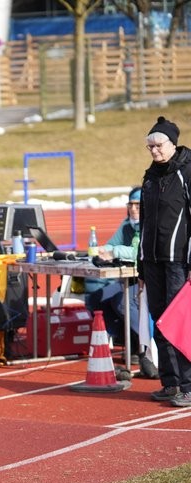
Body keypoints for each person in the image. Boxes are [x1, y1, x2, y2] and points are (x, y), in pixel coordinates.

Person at [138, 116, 191, 406]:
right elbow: (143, 223)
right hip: (153, 261)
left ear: (172, 143)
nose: (154, 151)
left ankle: (189, 385)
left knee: (180, 323)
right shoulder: (149, 177)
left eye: (158, 145)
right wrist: (140, 266)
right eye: (149, 147)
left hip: (179, 261)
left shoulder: (187, 172)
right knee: (159, 322)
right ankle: (171, 383)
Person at [84, 186, 157, 376]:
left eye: (138, 205)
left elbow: (139, 252)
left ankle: (148, 349)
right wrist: (101, 249)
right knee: (96, 296)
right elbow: (112, 244)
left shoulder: (152, 224)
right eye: (131, 204)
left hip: (149, 279)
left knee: (122, 301)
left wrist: (114, 252)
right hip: (128, 278)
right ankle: (118, 341)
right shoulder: (127, 225)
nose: (133, 209)